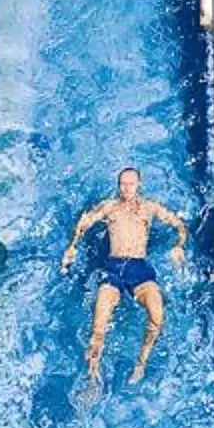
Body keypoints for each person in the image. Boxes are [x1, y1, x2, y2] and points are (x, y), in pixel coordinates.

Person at [60, 165, 190, 387]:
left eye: (131, 183)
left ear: (139, 184)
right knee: (99, 325)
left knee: (157, 314)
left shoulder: (150, 208)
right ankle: (92, 374)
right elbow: (84, 223)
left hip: (139, 268)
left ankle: (141, 363)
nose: (126, 188)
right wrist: (72, 247)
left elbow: (179, 225)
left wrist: (179, 245)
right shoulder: (109, 207)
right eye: (122, 184)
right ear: (118, 185)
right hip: (113, 268)